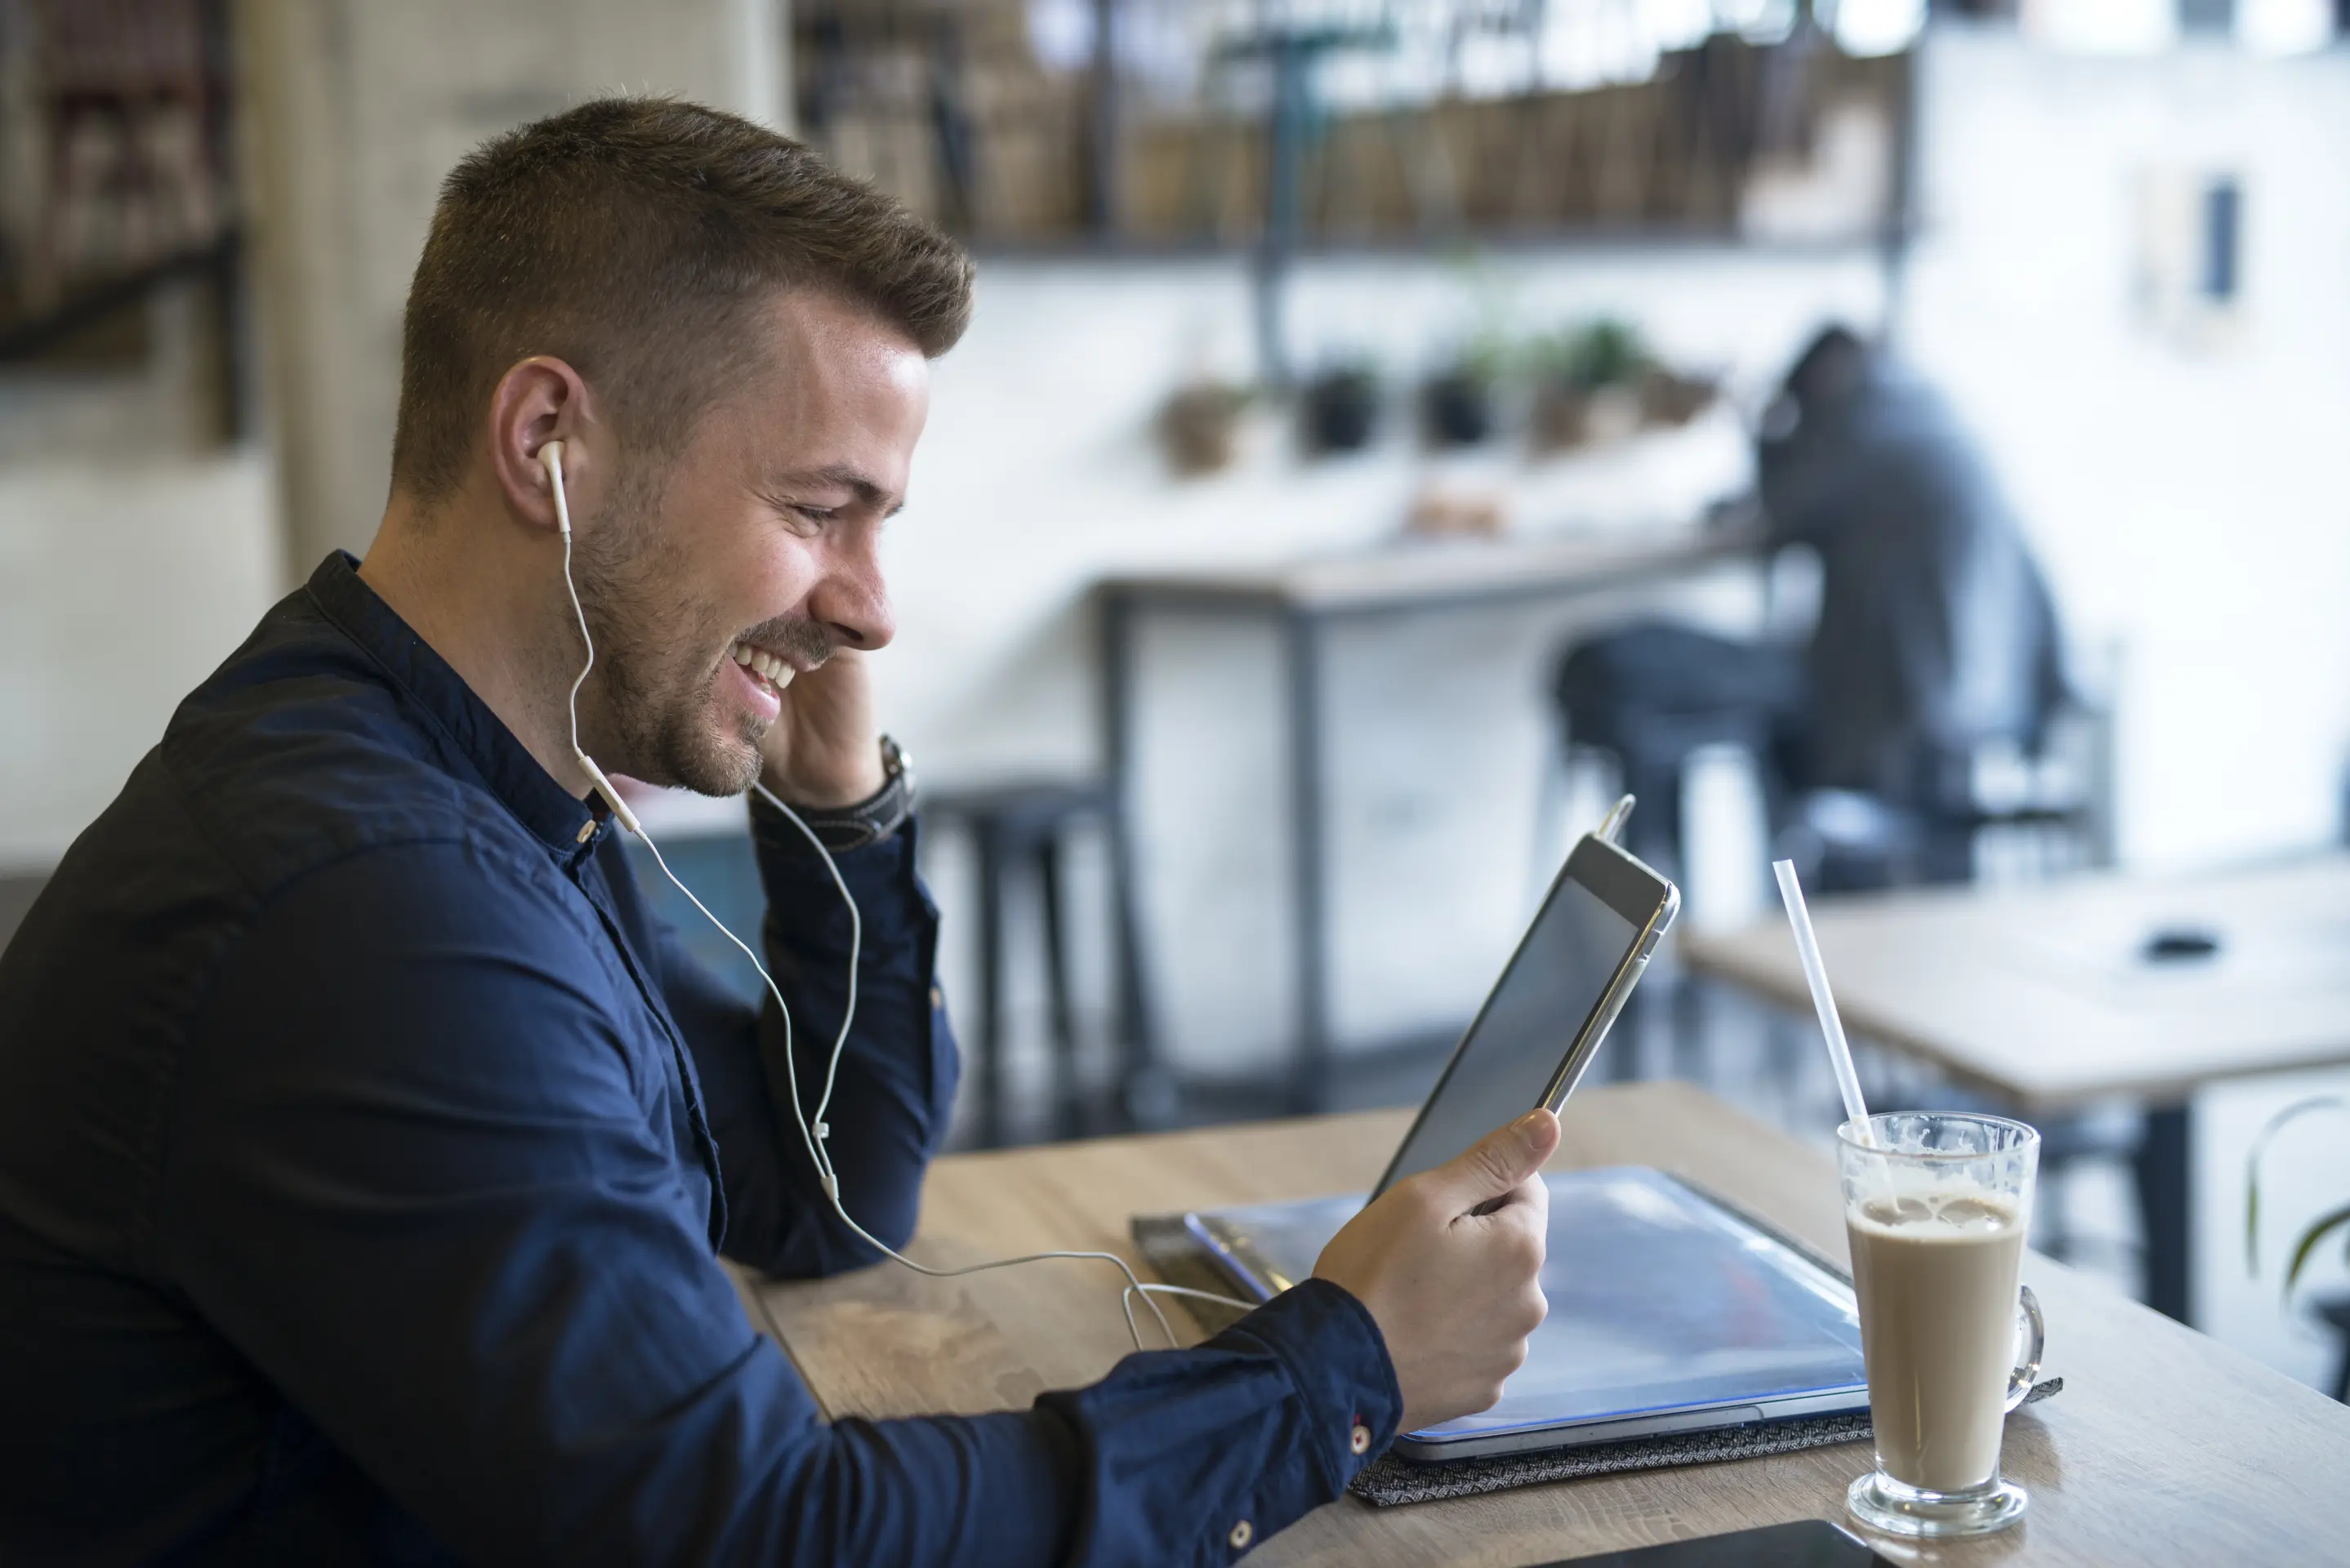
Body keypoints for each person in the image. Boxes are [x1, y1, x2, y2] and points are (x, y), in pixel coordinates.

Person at [0, 100, 1558, 1565]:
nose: (872, 603)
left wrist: (840, 793)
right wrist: (1338, 1369)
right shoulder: (368, 907)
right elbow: (764, 1537)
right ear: (548, 437)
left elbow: (826, 1192)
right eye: (821, 509)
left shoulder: (467, 779)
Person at [1555, 325, 2071, 884]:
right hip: (1971, 687)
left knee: (1632, 672)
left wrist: (1760, 421)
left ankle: (1683, 915)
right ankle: (1712, 914)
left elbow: (1776, 514)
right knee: (1728, 687)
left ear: (1820, 381)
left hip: (1894, 695)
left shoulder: (1866, 424)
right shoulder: (1928, 414)